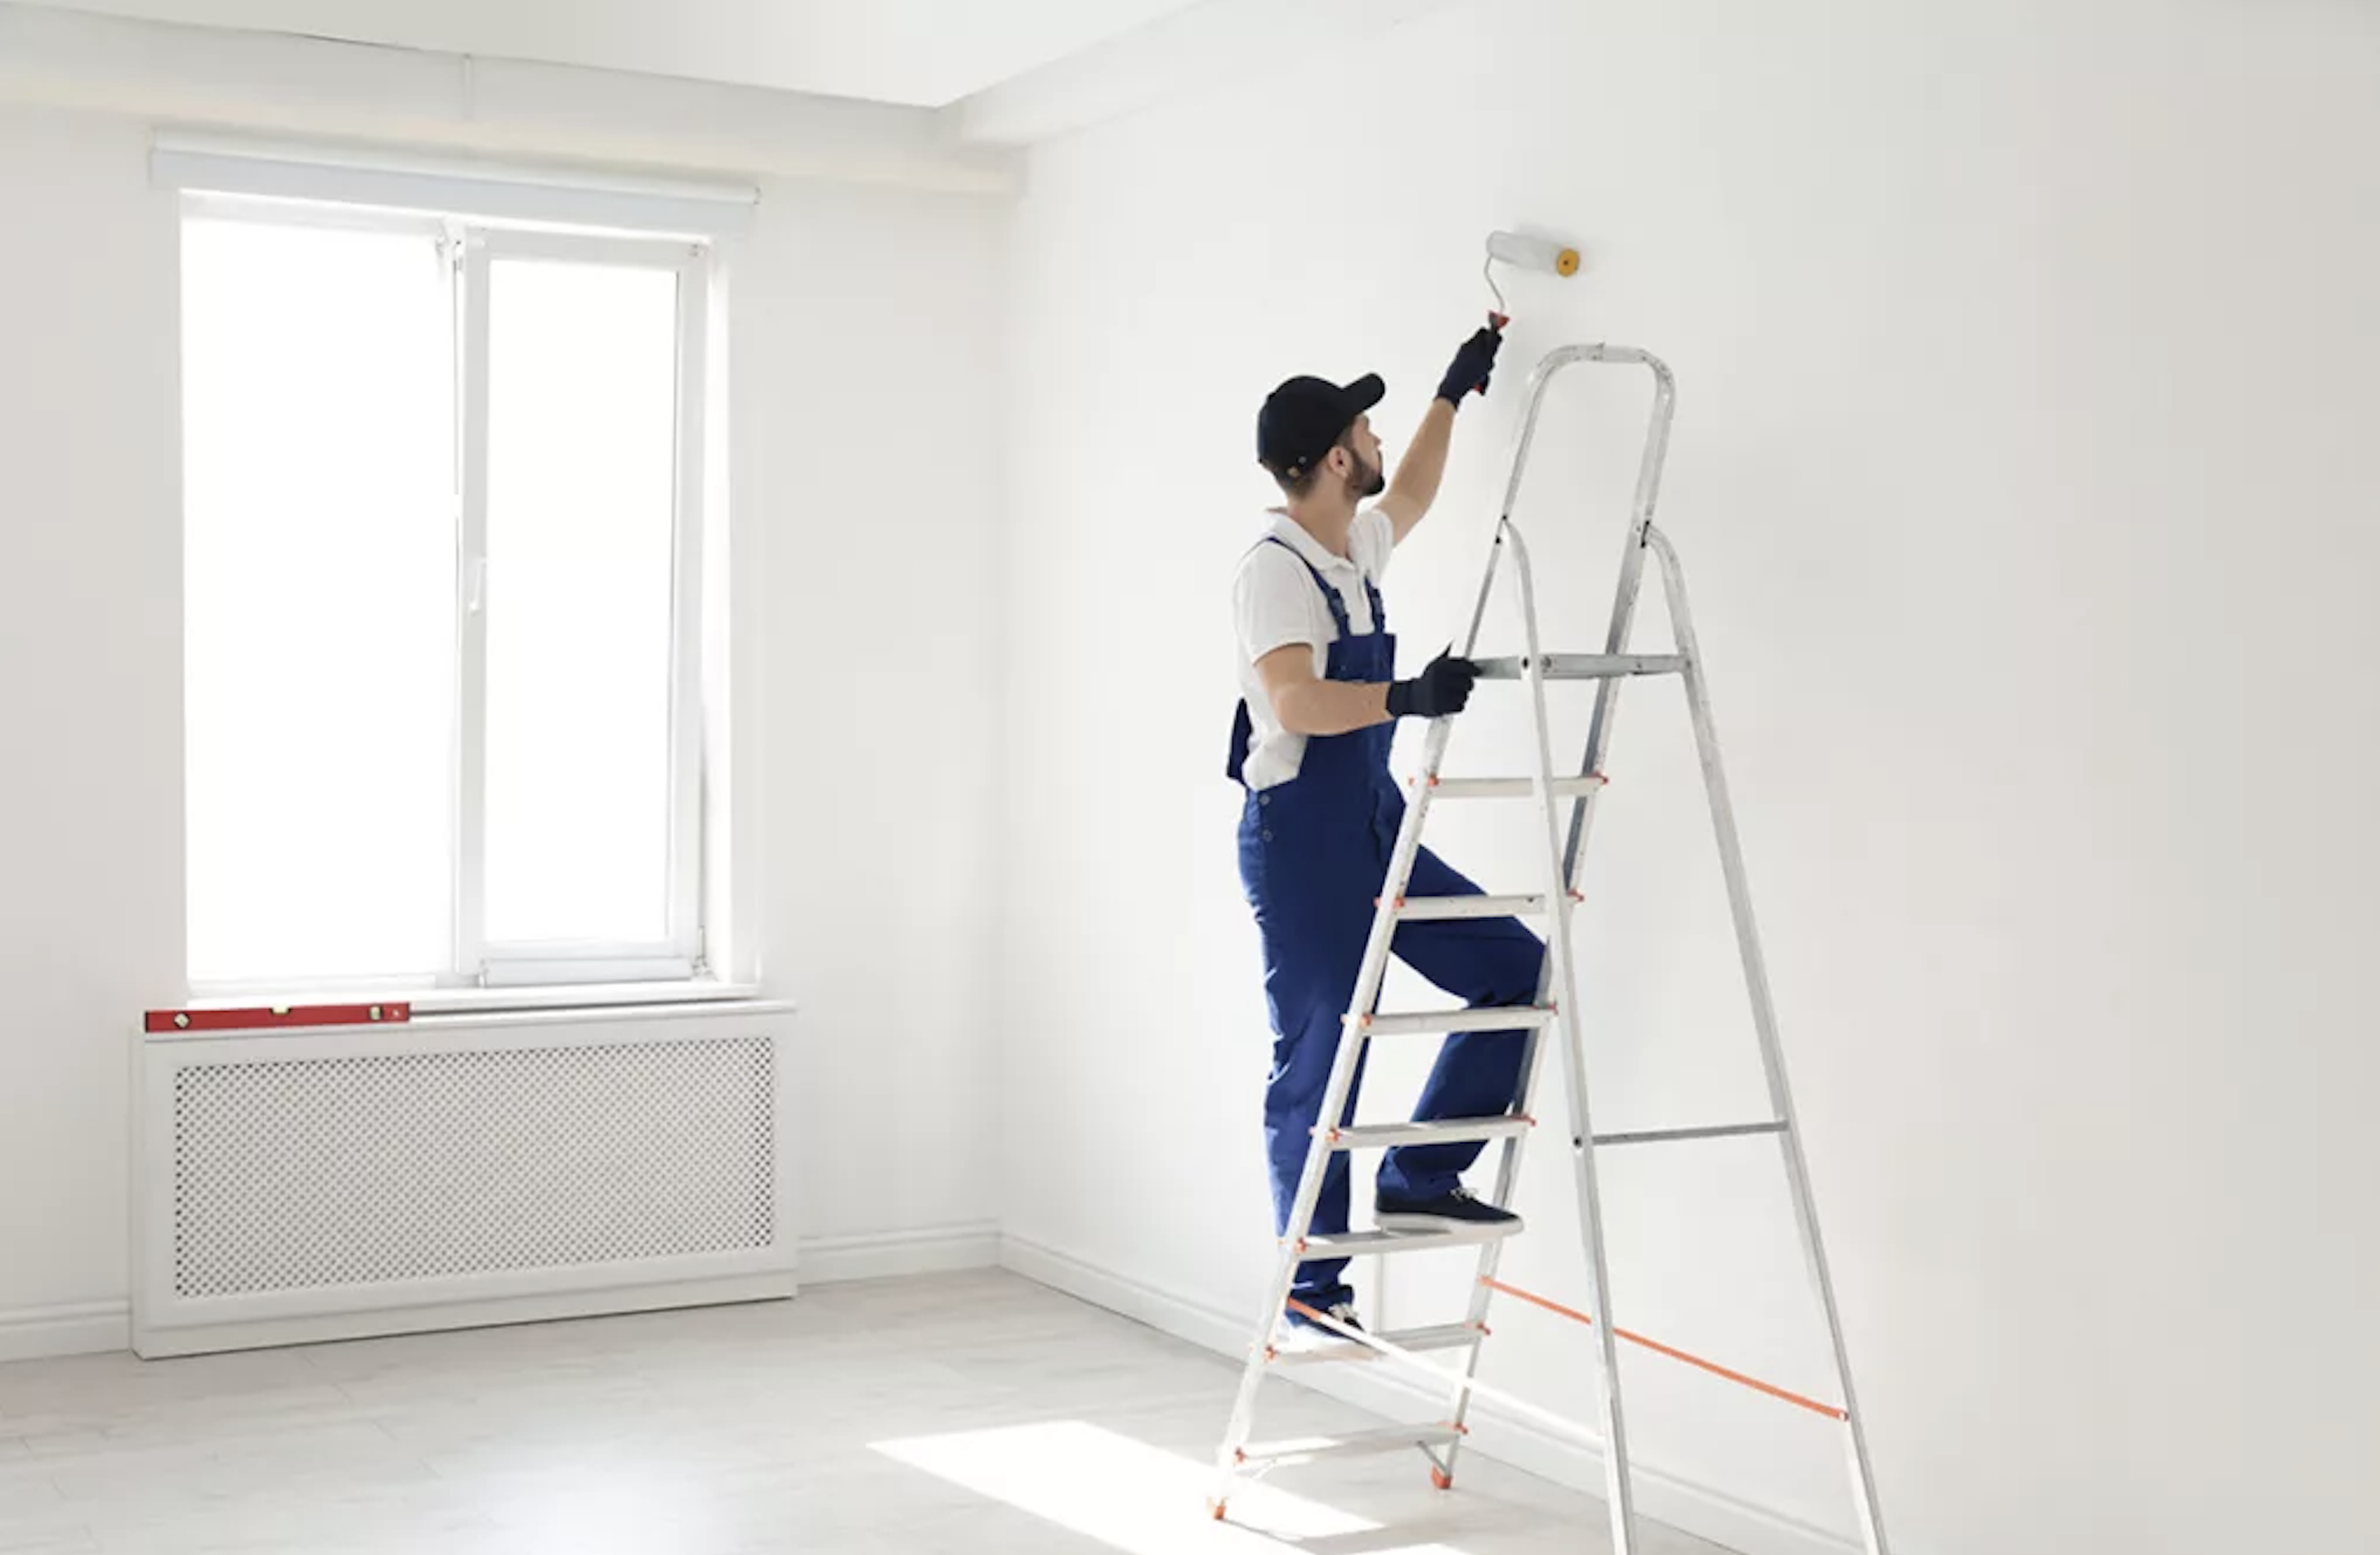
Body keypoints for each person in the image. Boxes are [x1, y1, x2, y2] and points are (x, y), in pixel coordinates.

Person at [1227, 325, 1548, 1342]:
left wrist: (1458, 391)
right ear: (1331, 458)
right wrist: (1401, 696)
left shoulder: (1350, 544)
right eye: (1363, 427)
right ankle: (1310, 1280)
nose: (1376, 438)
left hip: (1370, 819)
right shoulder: (1274, 571)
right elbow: (1290, 703)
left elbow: (1410, 491)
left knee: (1515, 970)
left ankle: (1419, 1174)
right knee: (1320, 1054)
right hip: (1300, 841)